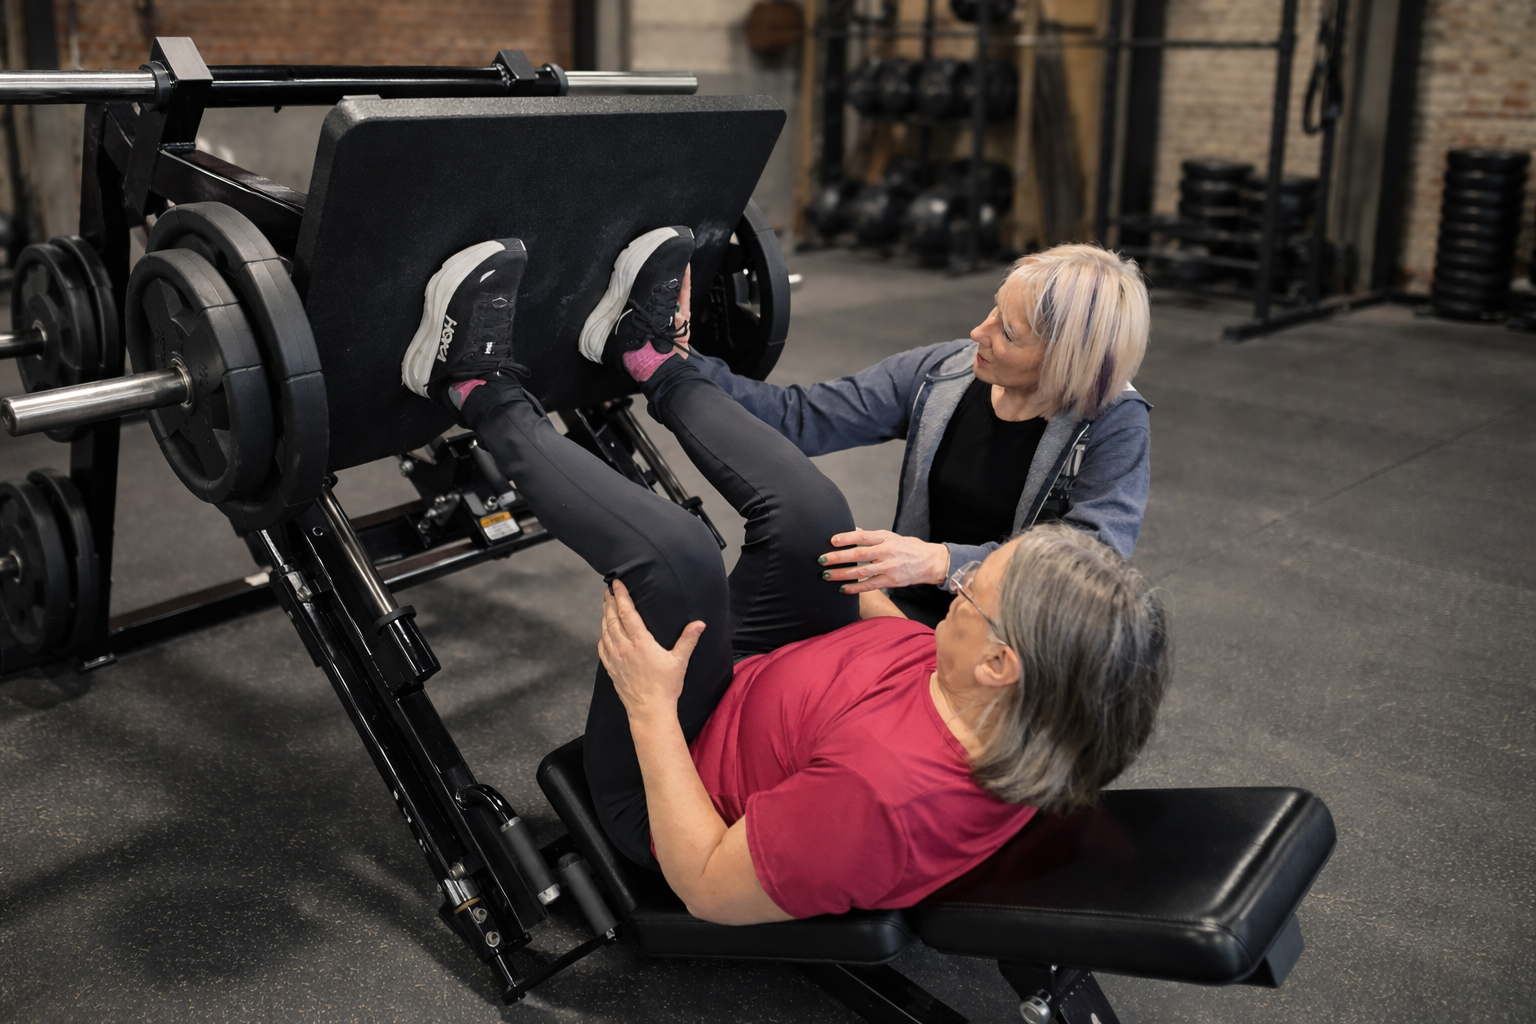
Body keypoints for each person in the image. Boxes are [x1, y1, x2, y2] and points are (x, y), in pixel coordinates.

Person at [400, 228, 1171, 925]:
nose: (954, 593)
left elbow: (704, 881)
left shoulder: (881, 797)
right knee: (812, 515)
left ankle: (475, 387)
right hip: (785, 687)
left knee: (677, 560)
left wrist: (650, 707)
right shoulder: (993, 695)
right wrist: (836, 559)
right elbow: (804, 423)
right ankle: (644, 351)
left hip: (678, 772)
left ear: (1003, 662)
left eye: (968, 593)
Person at [681, 243, 1153, 626]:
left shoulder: (1115, 423)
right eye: (993, 309)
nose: (977, 333)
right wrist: (679, 360)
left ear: (1064, 361)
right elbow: (798, 418)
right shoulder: (944, 372)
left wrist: (940, 563)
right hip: (909, 611)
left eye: (1007, 333)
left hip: (1015, 636)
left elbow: (1088, 568)